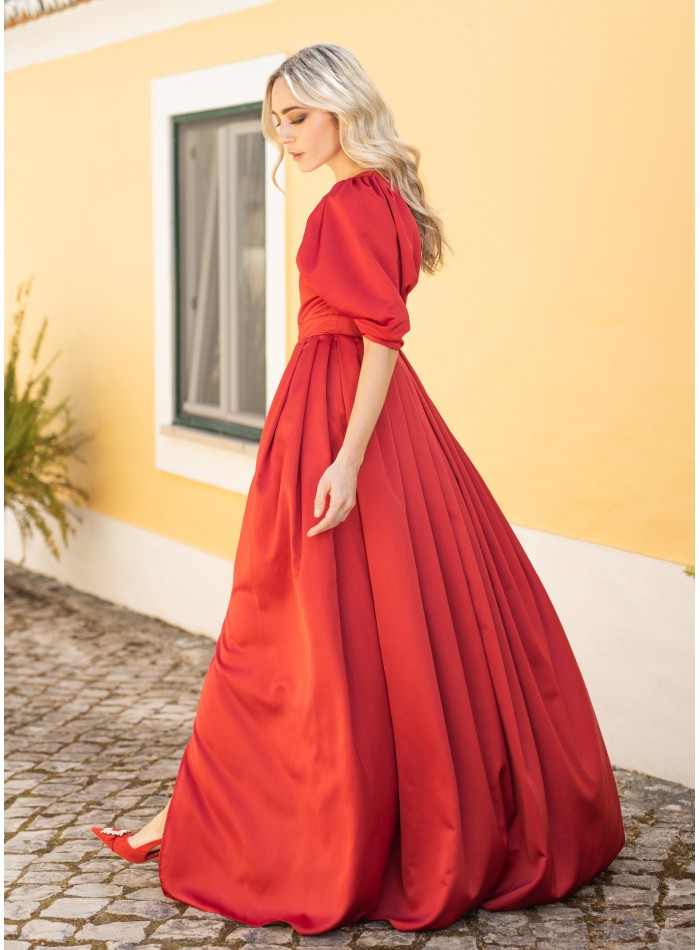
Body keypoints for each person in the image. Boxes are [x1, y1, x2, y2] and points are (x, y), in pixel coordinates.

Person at [92, 43, 625, 935]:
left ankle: (279, 825)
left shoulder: (348, 202)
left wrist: (342, 458)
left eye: (298, 115)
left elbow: (382, 337)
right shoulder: (386, 196)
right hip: (372, 421)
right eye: (275, 120)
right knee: (379, 623)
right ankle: (285, 811)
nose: (284, 134)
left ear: (342, 105)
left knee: (293, 624)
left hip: (340, 421)